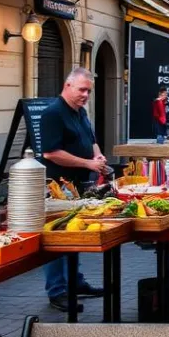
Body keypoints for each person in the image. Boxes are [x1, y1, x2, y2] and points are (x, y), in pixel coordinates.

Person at [40, 67, 107, 312]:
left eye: (89, 91)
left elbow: (91, 140)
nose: (86, 95)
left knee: (74, 233)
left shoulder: (81, 111)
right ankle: (57, 290)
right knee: (57, 237)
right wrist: (88, 163)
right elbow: (51, 153)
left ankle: (75, 282)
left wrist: (98, 156)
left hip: (78, 185)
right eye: (82, 90)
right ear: (67, 86)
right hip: (58, 186)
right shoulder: (53, 113)